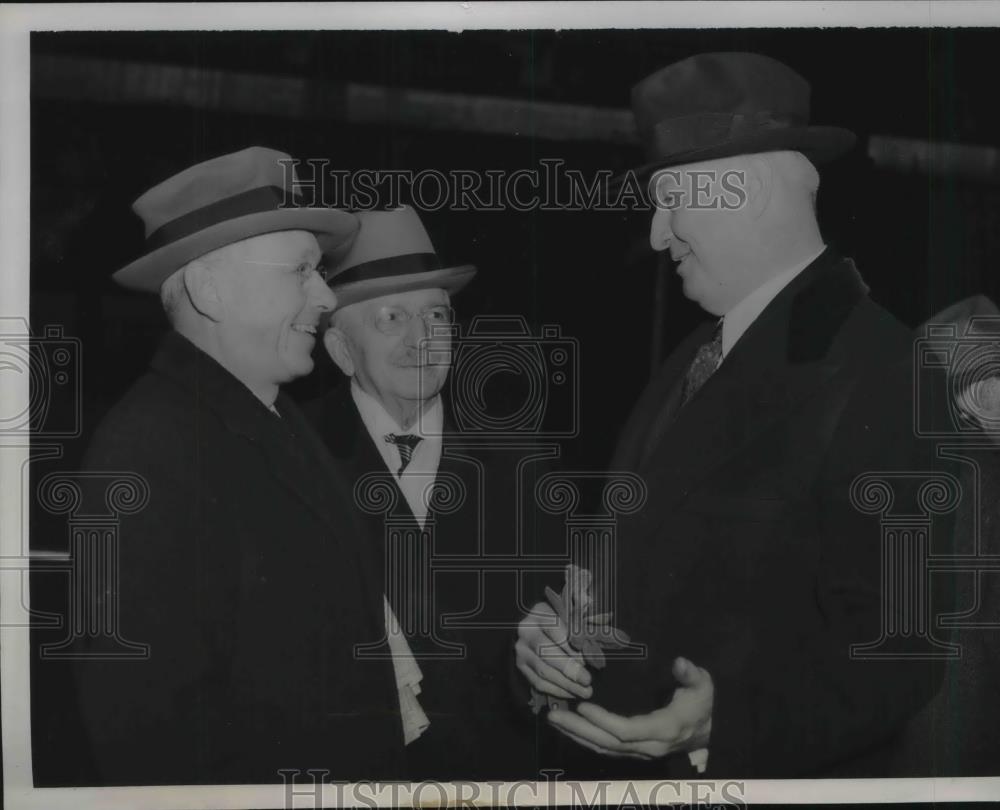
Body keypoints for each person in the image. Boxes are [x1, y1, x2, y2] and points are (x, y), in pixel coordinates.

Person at [516, 52, 948, 778]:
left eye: (671, 201)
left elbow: (900, 654)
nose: (657, 236)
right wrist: (553, 642)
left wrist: (723, 723)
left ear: (741, 190)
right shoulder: (697, 353)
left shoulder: (886, 366)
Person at [71, 147, 407, 784]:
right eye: (302, 270)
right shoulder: (146, 455)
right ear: (209, 288)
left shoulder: (267, 416)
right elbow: (149, 742)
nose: (326, 294)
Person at [304, 206, 535, 780]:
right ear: (339, 350)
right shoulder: (296, 456)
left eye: (437, 314)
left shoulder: (518, 466)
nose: (423, 340)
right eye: (391, 318)